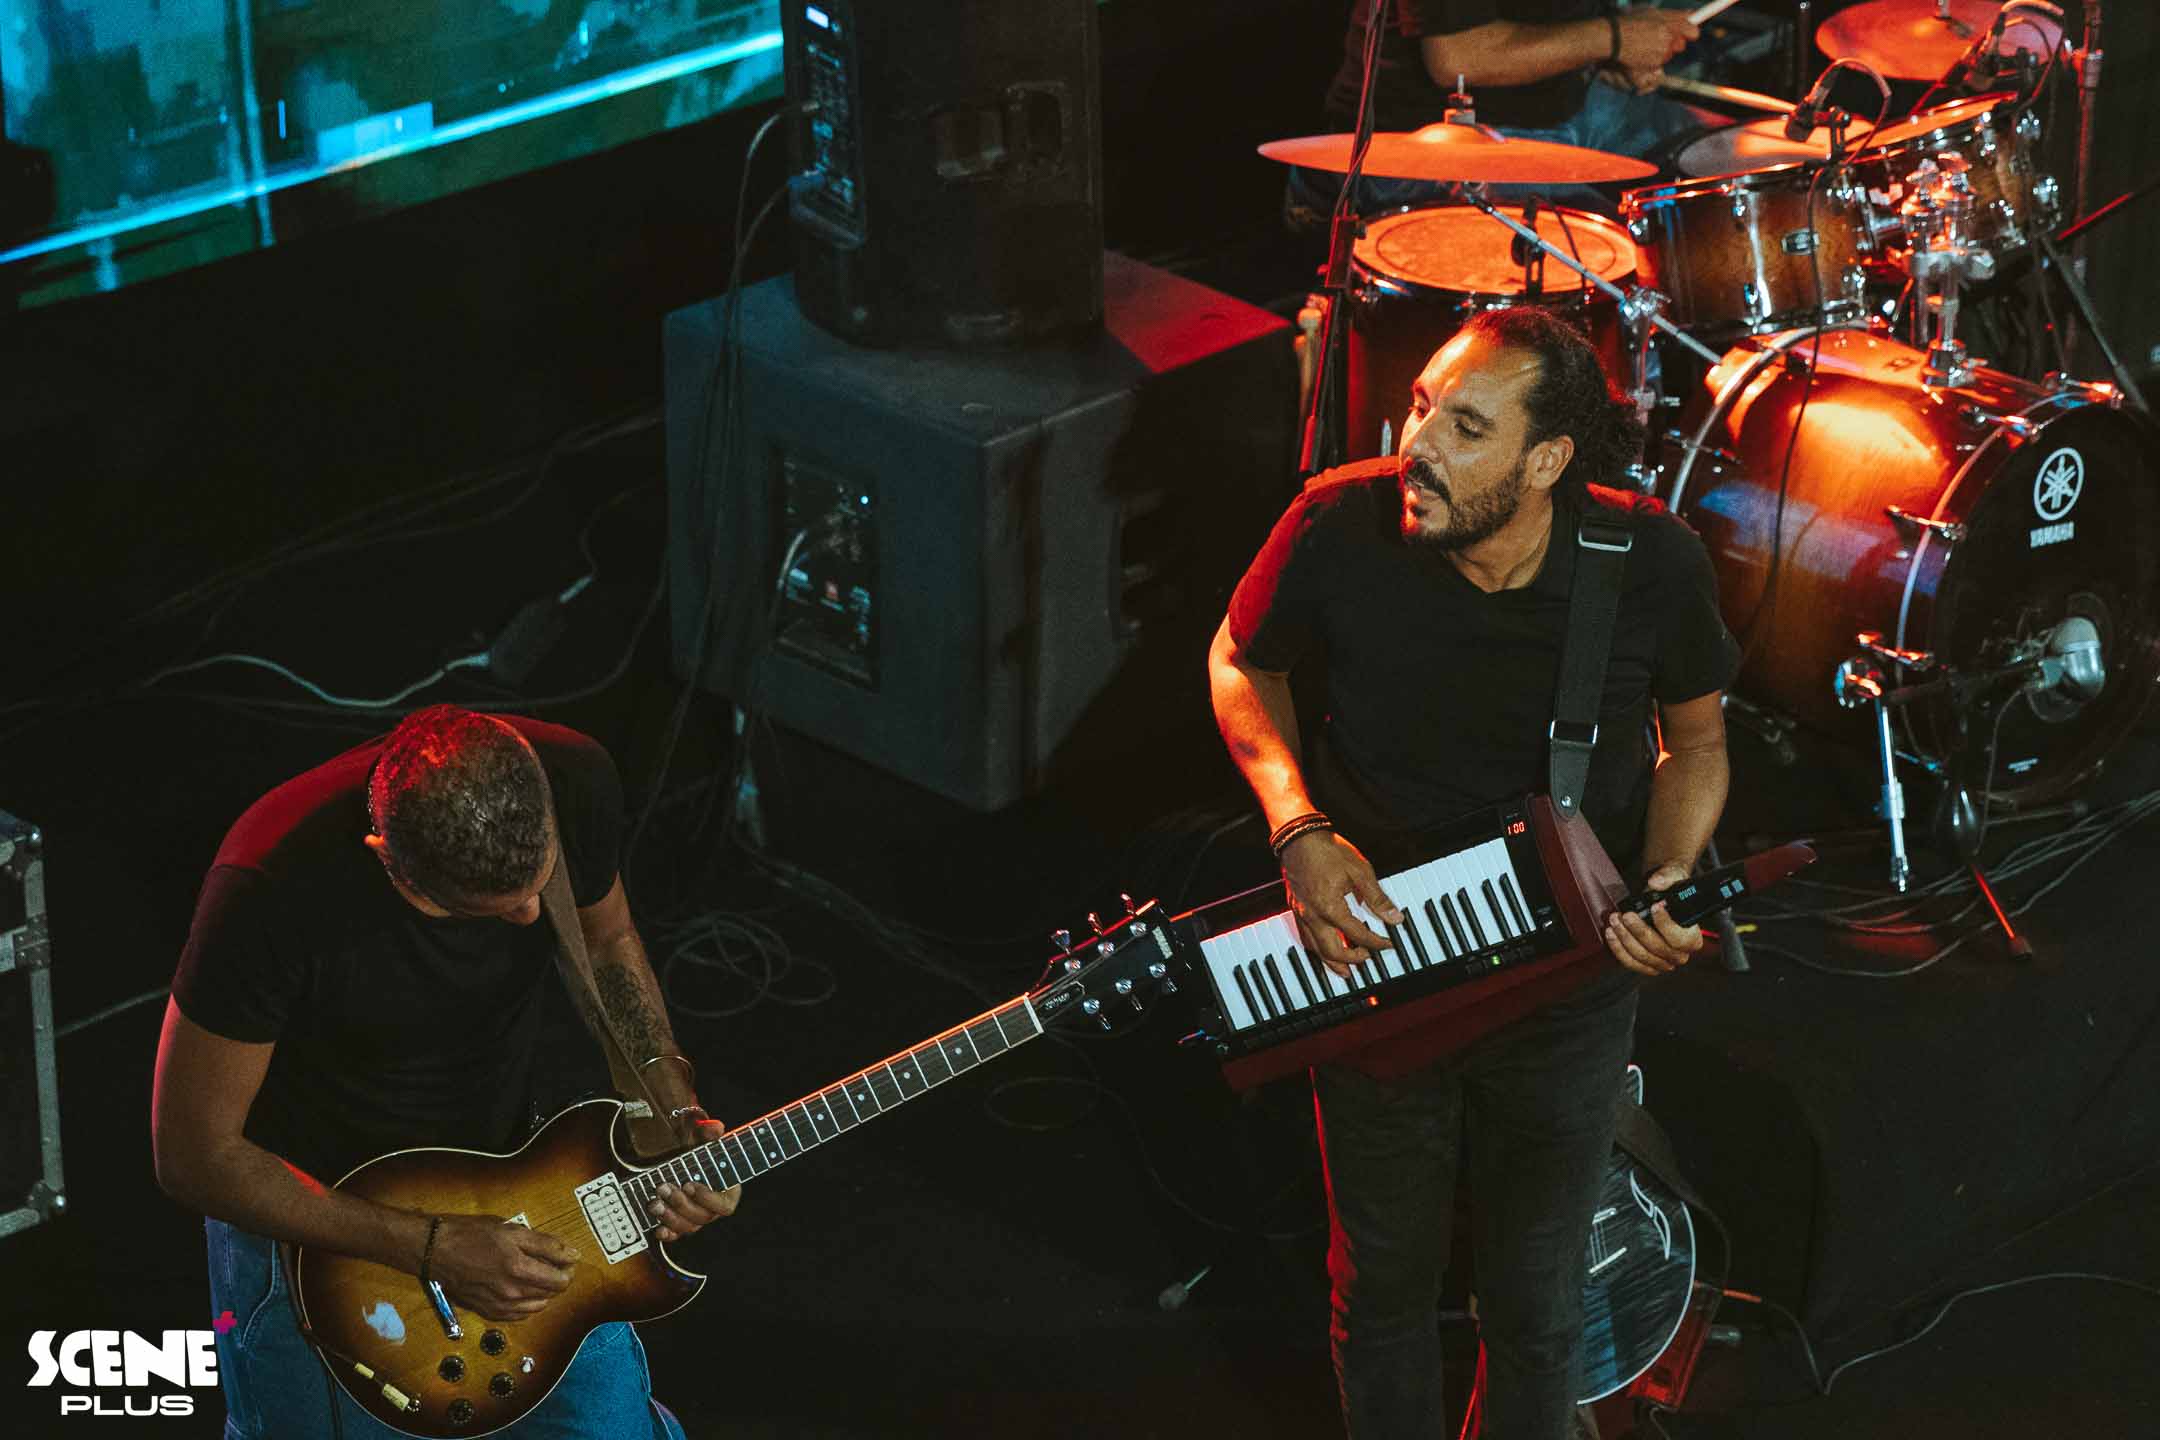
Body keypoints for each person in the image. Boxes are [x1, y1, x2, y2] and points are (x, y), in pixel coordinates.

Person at [1207, 306, 1739, 1439]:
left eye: (1466, 428)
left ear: (1546, 462)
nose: (1419, 446)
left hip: (1565, 988)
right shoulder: (1340, 523)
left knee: (1539, 1309)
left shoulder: (1647, 563)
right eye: (1420, 408)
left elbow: (1695, 744)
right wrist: (1299, 827)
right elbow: (1241, 660)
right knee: (1381, 1294)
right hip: (1375, 958)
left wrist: (1669, 874)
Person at [152, 705, 736, 1438]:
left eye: (539, 883)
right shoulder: (268, 885)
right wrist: (430, 1247)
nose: (532, 917)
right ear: (386, 856)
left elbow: (605, 938)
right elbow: (194, 1157)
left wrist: (668, 1104)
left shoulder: (572, 777)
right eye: (484, 909)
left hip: (517, 1188)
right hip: (317, 1241)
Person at [1286, 0, 1706, 223]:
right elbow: (1457, 56)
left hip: (1565, 103)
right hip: (1428, 142)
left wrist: (1617, 49)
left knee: (1714, 173)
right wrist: (1613, 38)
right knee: (1601, 254)